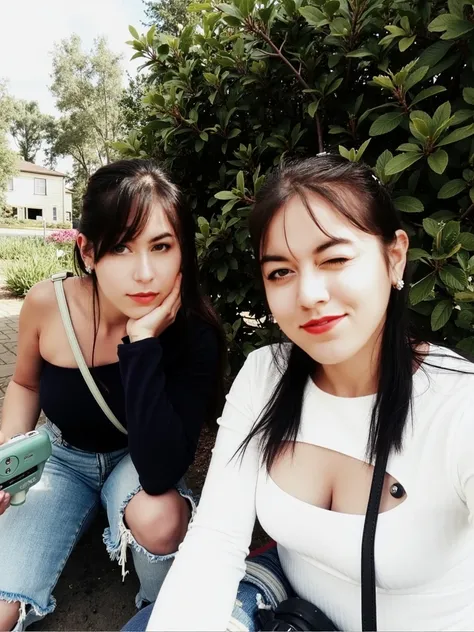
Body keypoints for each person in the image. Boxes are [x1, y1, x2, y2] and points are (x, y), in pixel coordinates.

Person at [126, 154, 474, 632]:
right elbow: (216, 540)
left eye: (335, 259)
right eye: (281, 272)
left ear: (394, 257)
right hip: (285, 602)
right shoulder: (265, 375)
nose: (308, 294)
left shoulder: (458, 408)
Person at [0, 159, 225, 631]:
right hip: (61, 460)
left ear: (182, 251)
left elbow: (160, 471)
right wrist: (10, 460)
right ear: (88, 250)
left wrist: (141, 343)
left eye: (161, 246)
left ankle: (159, 611)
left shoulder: (193, 334)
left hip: (136, 462)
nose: (145, 273)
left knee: (160, 518)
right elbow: (25, 383)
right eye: (121, 246)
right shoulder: (48, 304)